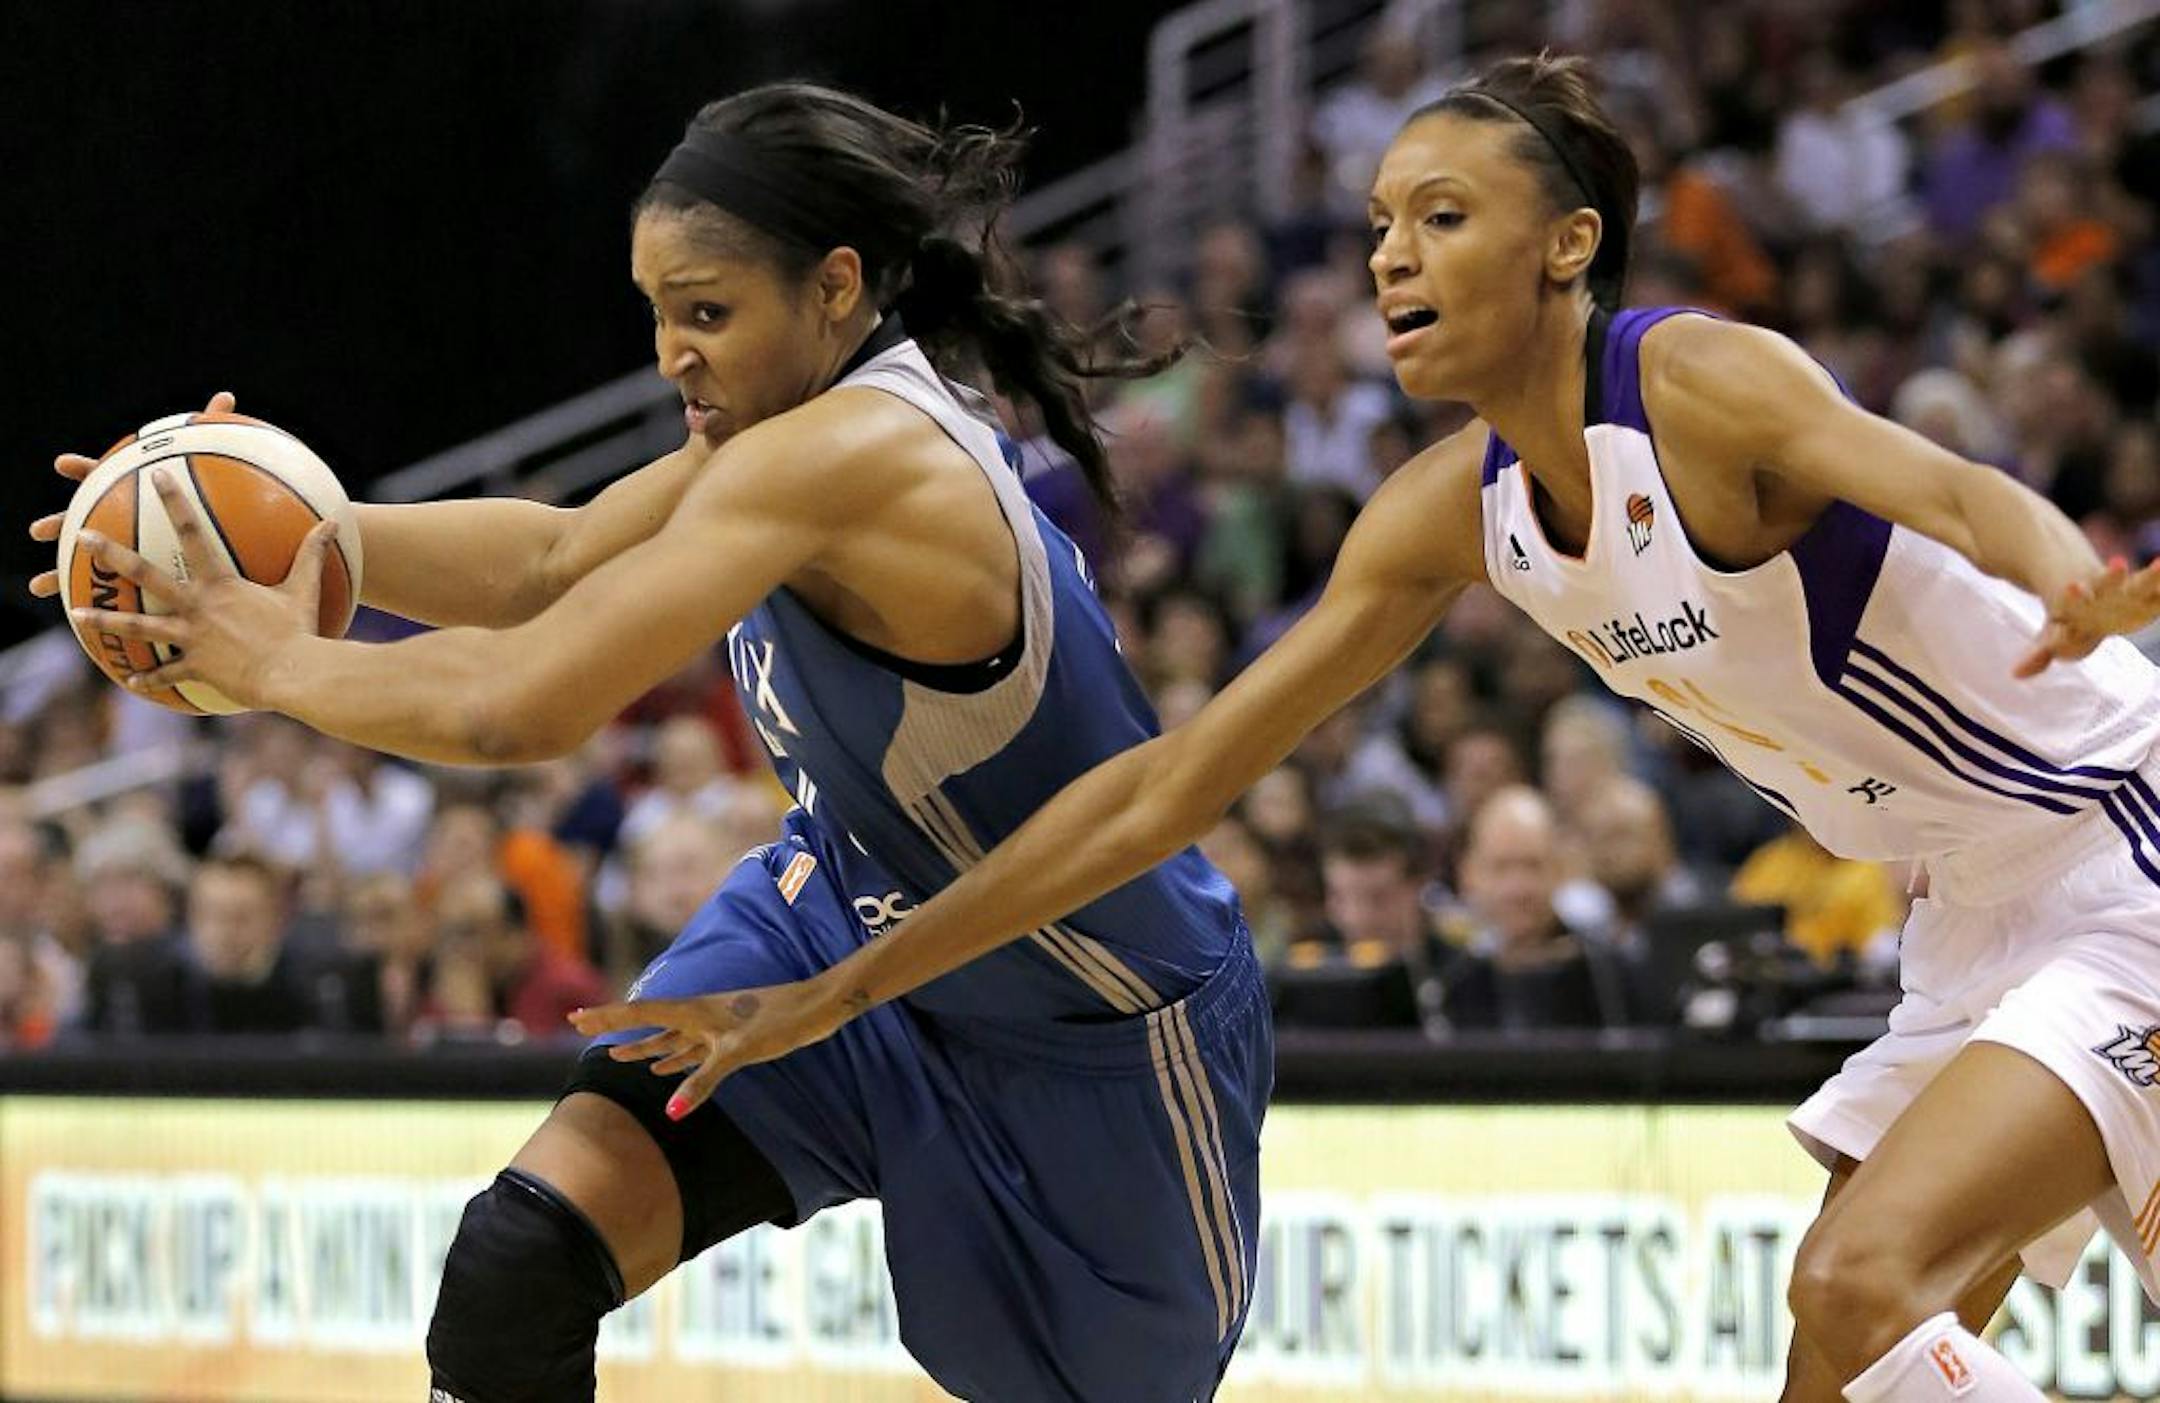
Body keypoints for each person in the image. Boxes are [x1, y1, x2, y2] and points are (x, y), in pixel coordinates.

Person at [574, 55, 2160, 1403]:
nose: (1390, 257)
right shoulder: (1442, 520)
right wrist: (840, 991)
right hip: (1969, 915)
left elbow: (1955, 489)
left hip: (2117, 841)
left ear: (1569, 246)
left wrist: (2068, 578)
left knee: (1859, 1289)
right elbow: (1152, 800)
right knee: (1853, 1334)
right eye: (1382, 224)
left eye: (1444, 219)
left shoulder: (1694, 385)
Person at [45, 83, 1268, 1403]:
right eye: (657, 313)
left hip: (1084, 1017)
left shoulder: (851, 456)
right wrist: (267, 535)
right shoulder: (783, 431)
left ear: (836, 288)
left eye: (707, 312)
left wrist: (275, 659)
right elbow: (553, 557)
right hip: (841, 918)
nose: (672, 354)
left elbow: (516, 706)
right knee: (519, 1267)